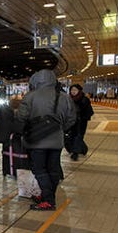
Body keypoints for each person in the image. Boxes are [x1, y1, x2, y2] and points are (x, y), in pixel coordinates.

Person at [16, 70, 76, 210]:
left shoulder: (30, 97)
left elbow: (21, 118)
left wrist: (23, 132)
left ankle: (49, 200)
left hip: (36, 140)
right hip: (57, 141)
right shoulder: (64, 97)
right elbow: (72, 118)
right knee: (53, 169)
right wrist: (59, 129)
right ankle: (47, 196)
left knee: (39, 169)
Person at [68, 84, 94, 160]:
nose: (73, 92)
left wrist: (83, 117)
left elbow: (89, 111)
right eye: (72, 90)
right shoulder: (68, 99)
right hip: (72, 121)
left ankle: (75, 153)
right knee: (72, 136)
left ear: (79, 90)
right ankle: (84, 149)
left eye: (75, 90)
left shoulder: (84, 99)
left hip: (81, 122)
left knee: (78, 136)